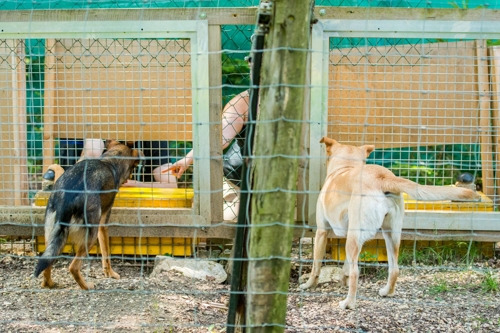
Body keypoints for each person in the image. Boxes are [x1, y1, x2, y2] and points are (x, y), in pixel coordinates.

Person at [164, 89, 250, 221]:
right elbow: (219, 138)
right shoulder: (244, 101)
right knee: (220, 223)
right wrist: (188, 159)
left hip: (283, 187)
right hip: (238, 183)